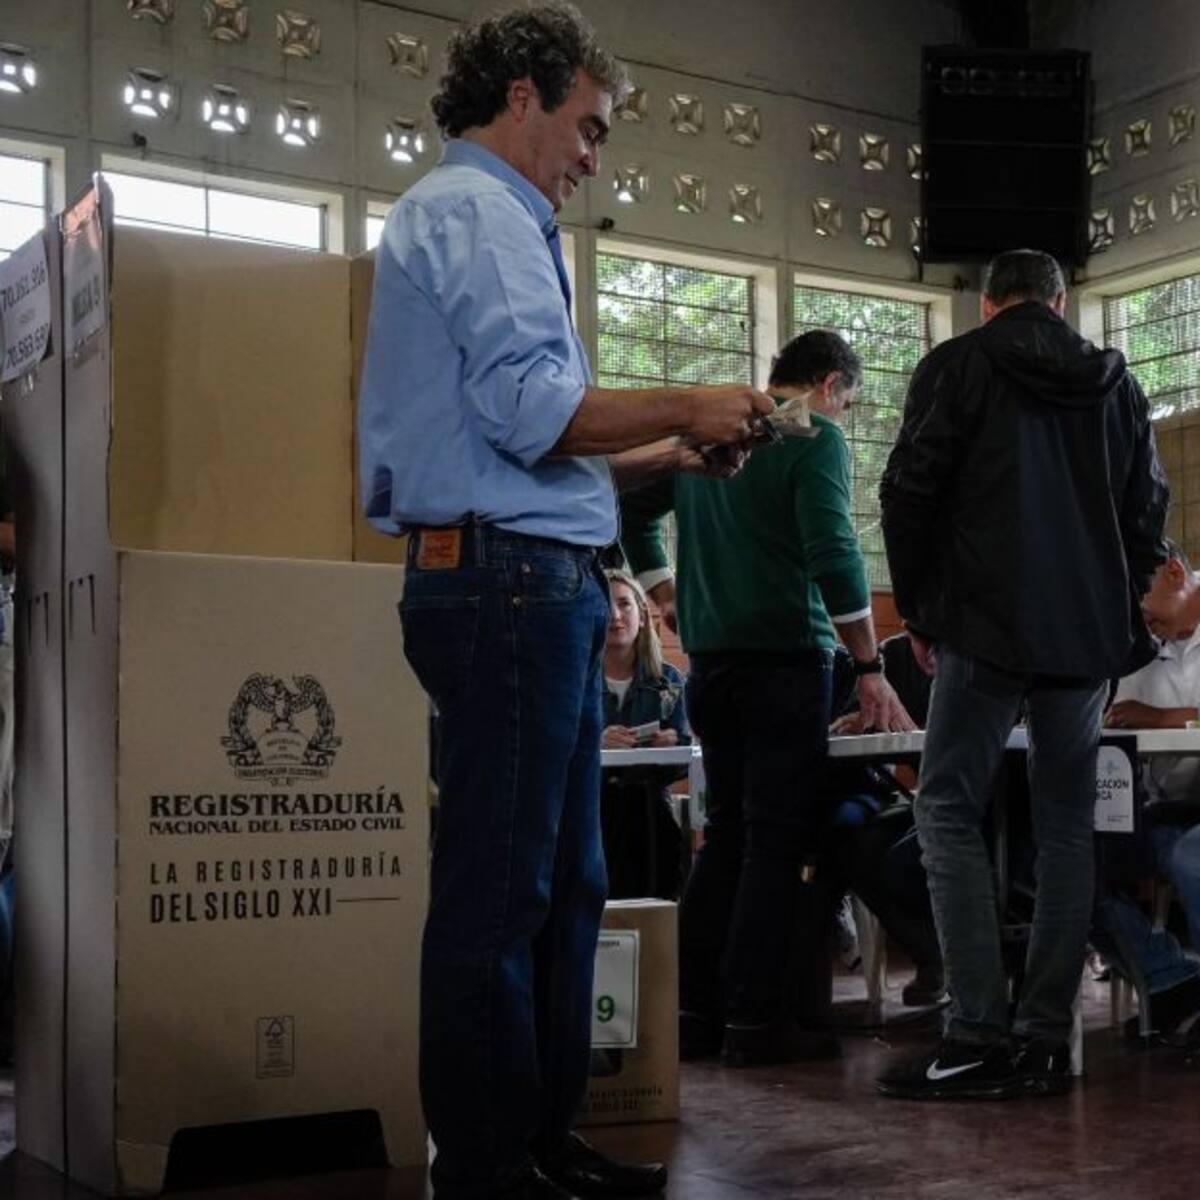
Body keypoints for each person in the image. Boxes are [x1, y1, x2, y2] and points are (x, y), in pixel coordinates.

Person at [357, 7, 773, 1198]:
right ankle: (489, 1167)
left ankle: (536, 1144)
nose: (595, 156)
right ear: (522, 96)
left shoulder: (484, 217)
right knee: (504, 893)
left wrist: (671, 455)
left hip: (528, 578)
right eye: (589, 127)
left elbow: (530, 450)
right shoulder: (480, 212)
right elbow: (534, 413)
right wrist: (688, 401)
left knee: (561, 886)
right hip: (506, 586)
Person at [877, 248, 1169, 1100]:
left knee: (945, 809)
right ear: (1060, 301)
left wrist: (920, 612)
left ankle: (975, 1034)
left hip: (984, 626)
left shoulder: (956, 367)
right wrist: (1118, 617)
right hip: (1084, 641)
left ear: (987, 304)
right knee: (1068, 827)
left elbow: (907, 493)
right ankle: (1045, 1040)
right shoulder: (1117, 385)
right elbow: (1147, 513)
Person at [620, 330, 913, 1066]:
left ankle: (693, 1013)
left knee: (726, 835)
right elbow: (833, 550)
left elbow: (632, 515)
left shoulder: (715, 433)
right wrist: (868, 662)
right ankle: (757, 1020)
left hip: (712, 664)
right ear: (829, 385)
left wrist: (665, 594)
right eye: (847, 402)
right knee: (776, 840)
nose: (842, 416)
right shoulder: (813, 436)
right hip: (785, 659)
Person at [1098, 542, 1200, 1044]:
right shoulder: (1139, 647)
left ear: (1175, 573)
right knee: (1070, 860)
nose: (1137, 615)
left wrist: (1163, 718)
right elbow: (1119, 722)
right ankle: (1171, 979)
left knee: (1191, 855)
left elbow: (1149, 718)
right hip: (1165, 807)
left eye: (1139, 596)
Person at [599, 569, 690, 900]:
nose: (615, 615)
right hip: (593, 808)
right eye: (605, 605)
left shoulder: (669, 680)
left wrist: (672, 746)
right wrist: (597, 743)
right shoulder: (575, 681)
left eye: (624, 604)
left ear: (641, 615)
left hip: (650, 814)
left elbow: (685, 759)